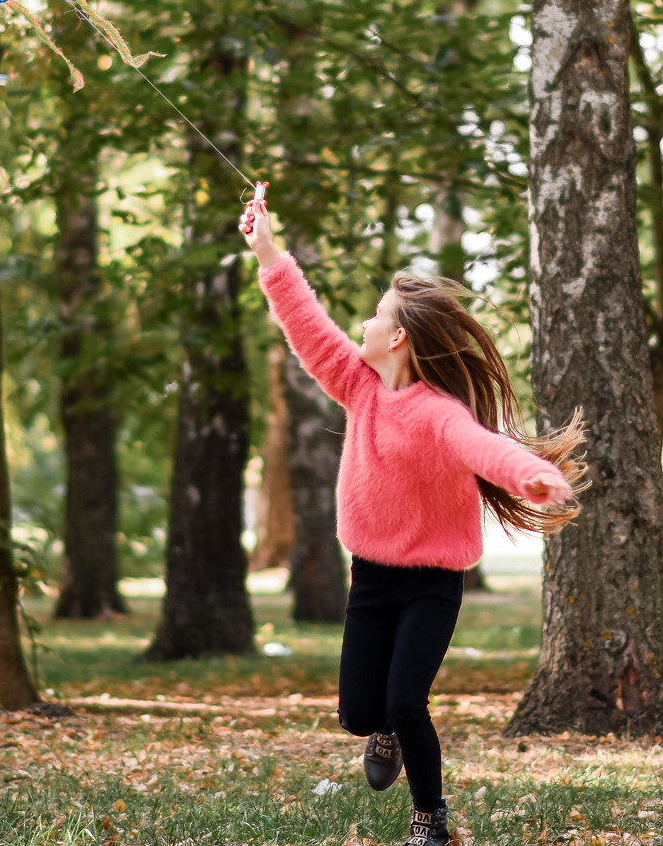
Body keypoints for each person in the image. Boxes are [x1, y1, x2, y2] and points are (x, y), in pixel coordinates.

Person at [239, 195, 587, 846]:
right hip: (371, 577)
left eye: (375, 315)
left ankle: (430, 816)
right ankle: (382, 732)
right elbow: (304, 321)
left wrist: (528, 475)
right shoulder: (357, 384)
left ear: (397, 337)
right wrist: (267, 250)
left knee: (406, 699)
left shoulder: (438, 411)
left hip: (432, 583)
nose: (363, 323)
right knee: (359, 713)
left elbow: (482, 447)